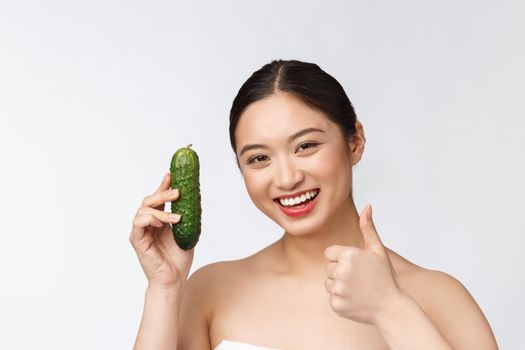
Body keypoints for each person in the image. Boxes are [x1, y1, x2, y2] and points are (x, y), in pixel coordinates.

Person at [130, 59, 499, 350]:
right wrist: (164, 288)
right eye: (259, 158)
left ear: (355, 142)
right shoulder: (210, 290)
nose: (287, 177)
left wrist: (391, 308)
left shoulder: (437, 296)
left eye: (305, 146)